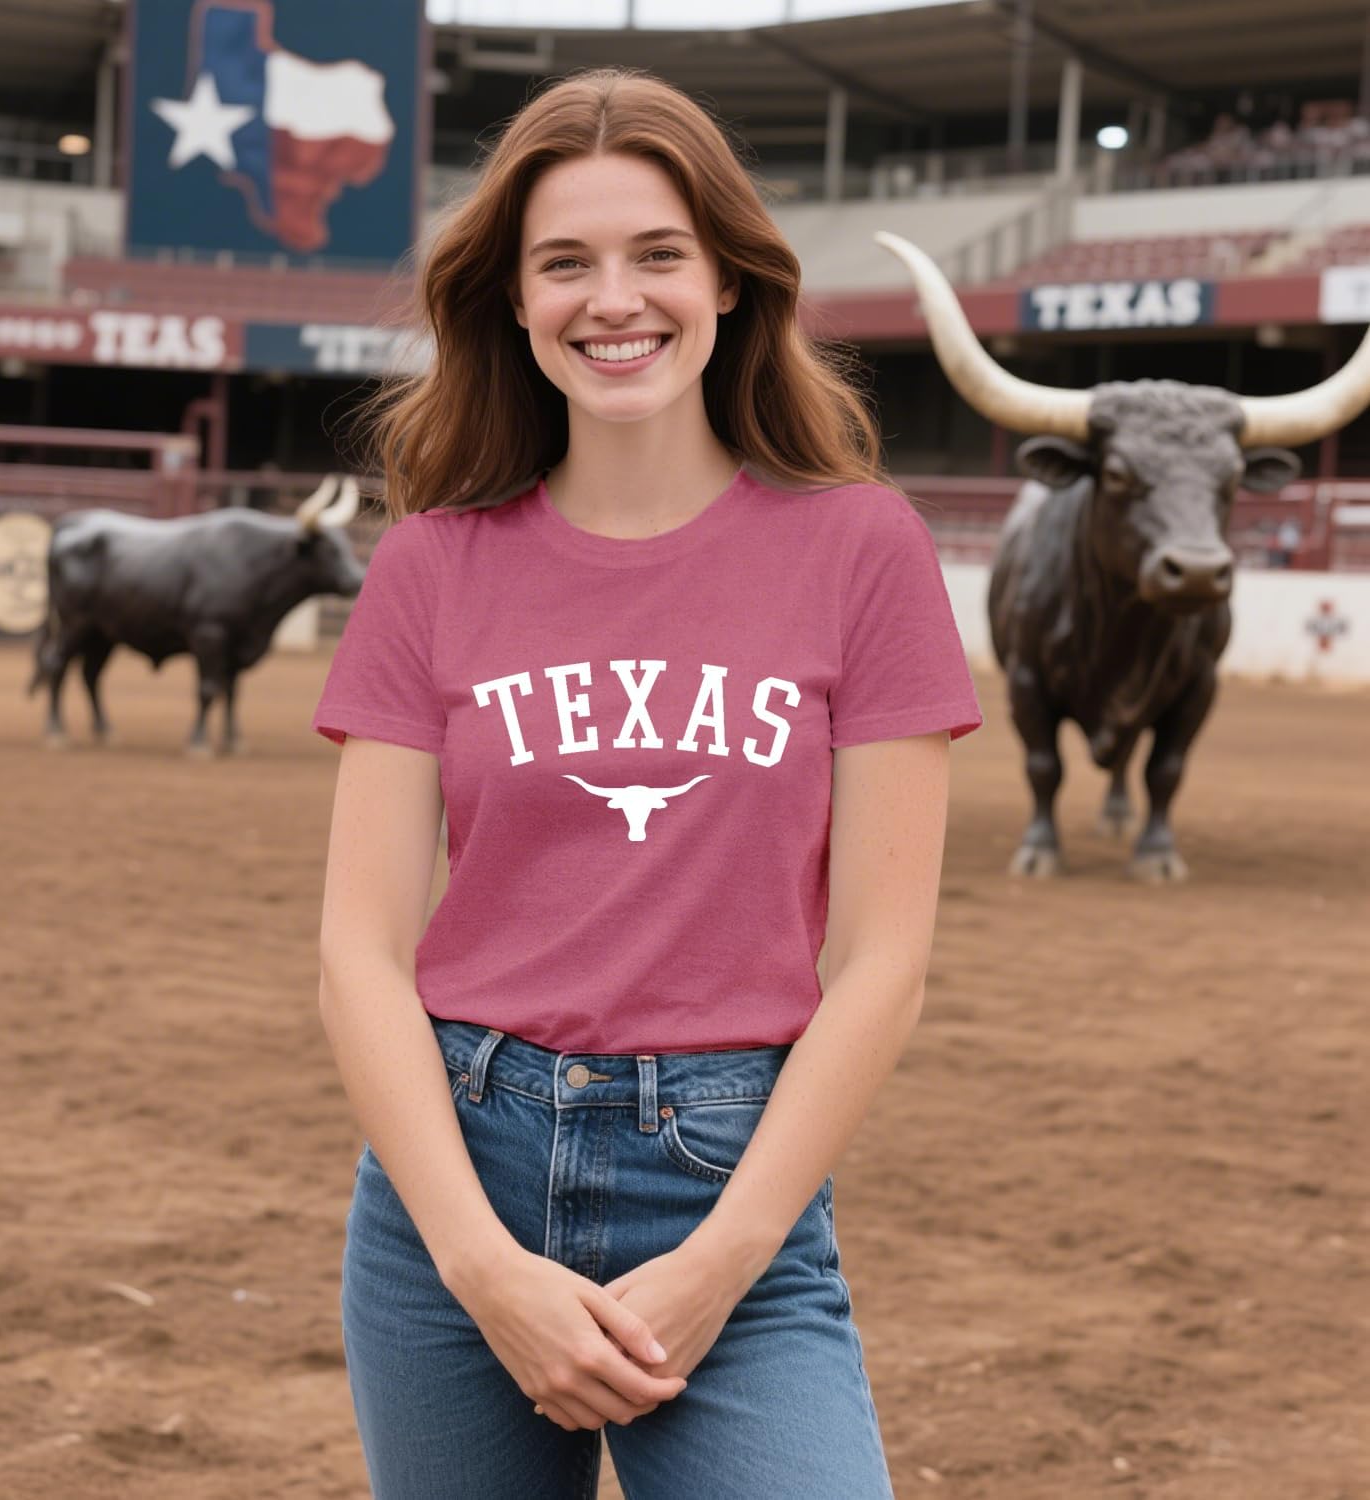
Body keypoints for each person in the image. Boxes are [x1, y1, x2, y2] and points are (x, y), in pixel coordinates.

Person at [312, 65, 982, 1499]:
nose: (614, 299)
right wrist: (479, 1266)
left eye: (658, 255)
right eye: (567, 263)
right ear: (514, 300)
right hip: (457, 1179)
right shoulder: (432, 563)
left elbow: (884, 963)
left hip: (727, 1181)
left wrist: (718, 1266)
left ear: (730, 280)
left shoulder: (862, 552)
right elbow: (359, 954)